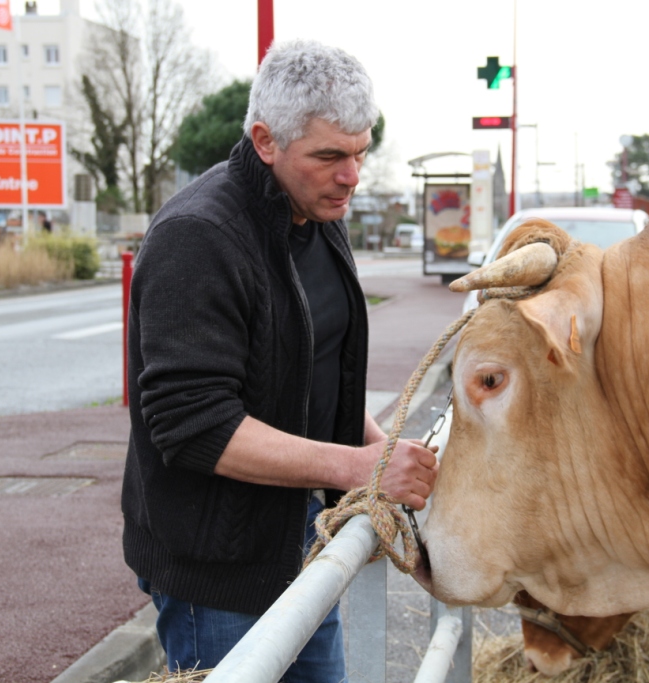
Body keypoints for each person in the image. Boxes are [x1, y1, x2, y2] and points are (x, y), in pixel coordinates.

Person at [121, 39, 439, 682]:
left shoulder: (318, 210)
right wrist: (358, 465)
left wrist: (388, 450)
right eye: (330, 156)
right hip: (217, 572)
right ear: (266, 141)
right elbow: (194, 425)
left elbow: (322, 375)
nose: (351, 175)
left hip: (299, 540)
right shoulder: (197, 237)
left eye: (360, 153)